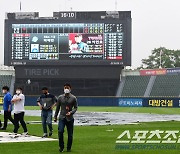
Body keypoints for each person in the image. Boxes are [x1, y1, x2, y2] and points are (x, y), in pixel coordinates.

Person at [54, 83, 78, 152]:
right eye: (65, 88)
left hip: (70, 118)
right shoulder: (60, 97)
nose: (66, 89)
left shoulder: (73, 98)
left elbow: (76, 108)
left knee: (70, 134)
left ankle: (69, 147)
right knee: (60, 131)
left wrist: (71, 112)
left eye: (67, 88)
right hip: (62, 117)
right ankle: (61, 146)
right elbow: (57, 108)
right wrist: (55, 116)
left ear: (70, 89)